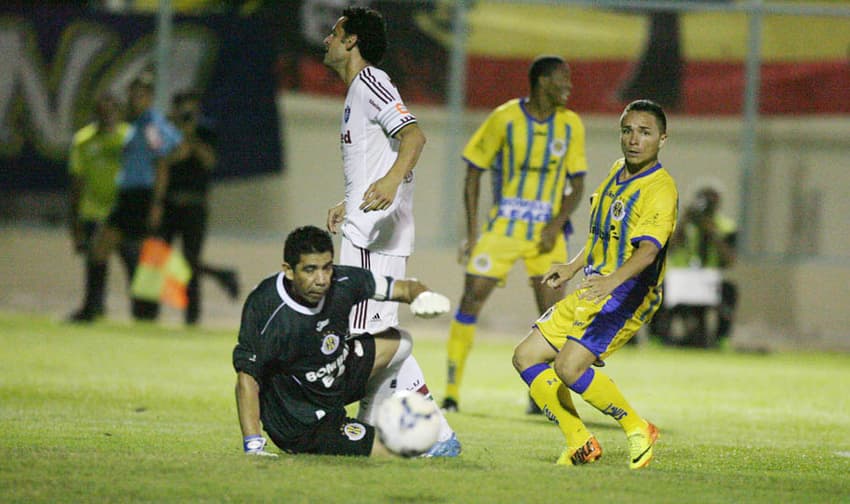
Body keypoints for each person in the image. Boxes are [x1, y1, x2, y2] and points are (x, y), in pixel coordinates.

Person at [321, 7, 461, 456]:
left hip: (372, 237)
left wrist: (390, 182)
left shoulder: (371, 82)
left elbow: (414, 137)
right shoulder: (356, 93)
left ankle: (437, 437)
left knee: (371, 339)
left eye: (334, 31)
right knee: (371, 337)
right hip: (366, 226)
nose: (326, 38)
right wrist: (355, 196)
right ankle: (374, 428)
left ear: (351, 41)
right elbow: (377, 158)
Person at [512, 99, 678, 469]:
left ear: (662, 139)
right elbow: (605, 234)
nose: (634, 139)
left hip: (628, 293)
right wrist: (572, 267)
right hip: (595, 286)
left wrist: (611, 282)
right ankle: (579, 440)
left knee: (568, 368)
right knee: (525, 357)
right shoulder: (617, 170)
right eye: (627, 130)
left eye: (645, 132)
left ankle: (638, 427)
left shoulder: (660, 190)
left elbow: (647, 252)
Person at [439, 56, 587, 415]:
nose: (569, 86)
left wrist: (555, 224)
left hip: (546, 236)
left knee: (552, 314)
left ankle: (540, 396)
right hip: (502, 228)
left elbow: (578, 183)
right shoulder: (504, 118)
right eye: (561, 79)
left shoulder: (571, 125)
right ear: (541, 82)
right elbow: (473, 174)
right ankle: (451, 393)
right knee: (471, 298)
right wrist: (473, 234)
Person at [233, 225, 451, 457]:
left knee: (401, 341)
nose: (321, 279)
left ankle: (369, 416)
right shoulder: (267, 305)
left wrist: (422, 296)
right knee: (398, 451)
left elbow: (404, 287)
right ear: (288, 270)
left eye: (327, 268)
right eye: (310, 270)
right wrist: (253, 445)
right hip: (302, 423)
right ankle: (362, 433)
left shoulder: (343, 281)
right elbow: (247, 378)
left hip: (335, 381)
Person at [68, 71, 182, 322]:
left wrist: (156, 203)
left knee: (138, 254)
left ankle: (141, 312)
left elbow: (162, 161)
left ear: (150, 97)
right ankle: (97, 308)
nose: (134, 99)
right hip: (130, 196)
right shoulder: (139, 123)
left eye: (140, 95)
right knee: (105, 249)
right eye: (132, 94)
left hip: (141, 197)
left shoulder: (150, 125)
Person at [160, 89, 240, 325]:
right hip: (169, 202)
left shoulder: (205, 131)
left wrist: (191, 136)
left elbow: (209, 161)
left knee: (190, 260)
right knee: (162, 257)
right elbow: (166, 161)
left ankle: (191, 315)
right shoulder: (165, 131)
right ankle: (221, 275)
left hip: (195, 203)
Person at [67, 92, 140, 320]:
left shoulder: (131, 137)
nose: (107, 115)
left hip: (124, 212)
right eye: (102, 110)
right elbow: (77, 183)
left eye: (111, 110)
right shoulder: (83, 140)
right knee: (95, 264)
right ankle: (93, 308)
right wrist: (75, 223)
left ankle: (143, 311)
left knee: (135, 266)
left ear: (119, 112)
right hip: (94, 212)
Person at [651, 186, 737, 347]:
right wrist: (684, 221)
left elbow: (730, 260)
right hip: (680, 276)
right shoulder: (679, 223)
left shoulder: (725, 226)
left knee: (729, 291)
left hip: (708, 276)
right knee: (652, 289)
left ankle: (721, 339)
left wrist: (712, 232)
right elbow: (669, 250)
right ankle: (656, 337)